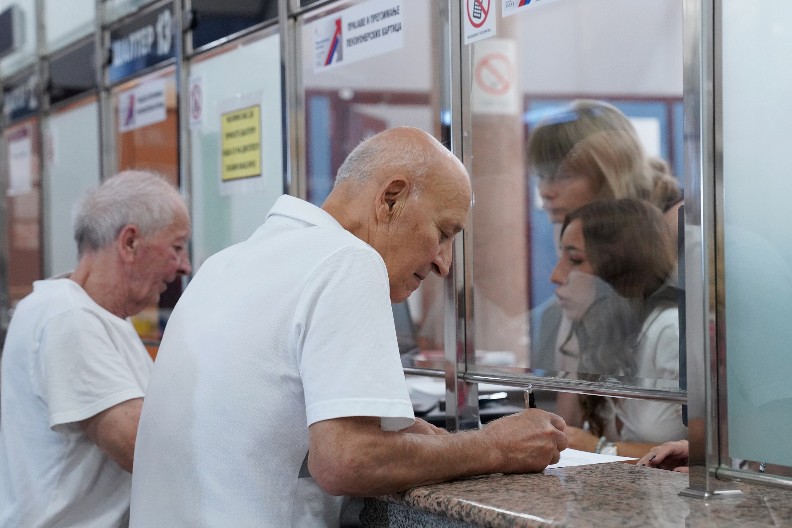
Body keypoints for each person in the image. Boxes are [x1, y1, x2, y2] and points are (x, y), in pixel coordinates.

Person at [129, 127, 568, 527]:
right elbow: (347, 460)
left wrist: (414, 438)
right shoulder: (348, 260)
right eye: (444, 231)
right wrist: (496, 446)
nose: (443, 262)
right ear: (391, 198)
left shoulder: (224, 265)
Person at [0, 171, 192, 527]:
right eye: (177, 247)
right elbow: (142, 447)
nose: (184, 266)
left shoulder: (87, 314)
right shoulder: (69, 318)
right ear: (130, 243)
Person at [526, 99, 682, 424]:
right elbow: (573, 361)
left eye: (563, 175)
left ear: (611, 171)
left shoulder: (679, 232)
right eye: (541, 176)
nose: (545, 191)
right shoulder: (580, 231)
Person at [550, 199, 686, 459]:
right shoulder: (609, 335)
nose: (556, 276)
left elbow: (709, 456)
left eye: (575, 259)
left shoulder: (668, 329)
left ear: (618, 268)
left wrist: (599, 447)